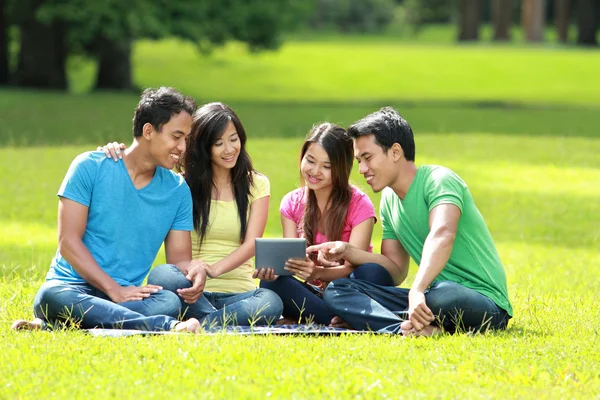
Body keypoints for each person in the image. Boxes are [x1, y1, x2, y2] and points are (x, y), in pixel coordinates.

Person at [12, 87, 201, 333]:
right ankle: (164, 327)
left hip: (128, 297)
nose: (183, 147)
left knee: (169, 301)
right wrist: (113, 289)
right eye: (177, 136)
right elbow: (68, 242)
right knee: (51, 295)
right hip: (73, 287)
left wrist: (195, 269)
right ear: (148, 131)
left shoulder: (177, 191)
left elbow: (178, 262)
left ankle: (60, 323)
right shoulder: (90, 167)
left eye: (187, 139)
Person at [308, 107, 512, 336]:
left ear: (395, 152)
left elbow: (443, 234)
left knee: (441, 295)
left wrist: (417, 291)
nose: (362, 169)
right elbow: (395, 270)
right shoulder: (388, 200)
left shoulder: (439, 180)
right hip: (427, 295)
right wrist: (348, 251)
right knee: (339, 290)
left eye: (367, 158)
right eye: (359, 161)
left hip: (481, 301)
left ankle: (401, 319)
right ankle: (405, 329)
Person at [100, 102, 283, 328]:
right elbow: (138, 166)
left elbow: (252, 244)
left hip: (239, 295)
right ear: (203, 147)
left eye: (233, 139)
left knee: (271, 301)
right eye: (218, 143)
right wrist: (116, 152)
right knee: (162, 275)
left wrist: (212, 269)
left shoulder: (256, 184)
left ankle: (202, 324)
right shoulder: (180, 185)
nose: (229, 149)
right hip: (190, 292)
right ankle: (217, 321)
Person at [255, 123, 396, 325]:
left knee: (372, 272)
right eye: (310, 161)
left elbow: (353, 266)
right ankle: (343, 319)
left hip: (349, 289)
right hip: (314, 294)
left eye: (326, 166)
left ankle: (324, 317)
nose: (315, 171)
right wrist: (278, 269)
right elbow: (291, 263)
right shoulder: (291, 203)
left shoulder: (359, 204)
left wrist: (318, 272)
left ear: (341, 168)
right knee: (271, 283)